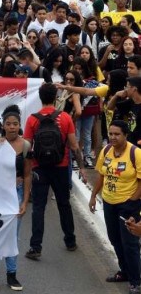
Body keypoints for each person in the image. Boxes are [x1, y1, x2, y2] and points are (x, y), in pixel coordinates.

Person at [24, 83, 85, 261]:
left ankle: (35, 247)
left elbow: (27, 146)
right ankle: (70, 241)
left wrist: (25, 170)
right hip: (60, 166)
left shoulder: (32, 119)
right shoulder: (65, 117)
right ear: (55, 98)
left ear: (41, 98)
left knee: (38, 208)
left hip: (39, 167)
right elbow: (74, 146)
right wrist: (81, 167)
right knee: (64, 204)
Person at [89, 120, 141, 294]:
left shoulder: (136, 153)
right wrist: (93, 196)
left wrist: (132, 202)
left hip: (128, 205)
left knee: (130, 244)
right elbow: (101, 175)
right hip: (109, 203)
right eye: (110, 133)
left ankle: (136, 281)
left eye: (117, 134)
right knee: (115, 240)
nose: (112, 137)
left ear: (126, 135)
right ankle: (124, 272)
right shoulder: (106, 151)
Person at [0, 105, 32, 292]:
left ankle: (12, 275)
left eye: (15, 124)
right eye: (8, 124)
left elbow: (28, 174)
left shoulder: (26, 146)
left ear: (19, 125)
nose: (12, 127)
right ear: (3, 126)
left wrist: (24, 201)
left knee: (12, 236)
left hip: (16, 194)